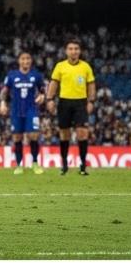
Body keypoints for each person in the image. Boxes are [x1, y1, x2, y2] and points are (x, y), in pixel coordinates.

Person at [45, 39, 96, 176]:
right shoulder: (60, 66)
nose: (73, 51)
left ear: (80, 51)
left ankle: (83, 165)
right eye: (71, 49)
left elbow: (91, 85)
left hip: (81, 103)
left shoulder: (85, 67)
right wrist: (49, 99)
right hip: (64, 102)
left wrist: (91, 101)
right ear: (66, 51)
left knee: (82, 133)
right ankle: (64, 165)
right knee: (64, 134)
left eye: (76, 49)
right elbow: (54, 83)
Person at [0, 51, 45, 174]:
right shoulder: (12, 75)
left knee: (34, 135)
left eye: (28, 58)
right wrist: (2, 103)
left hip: (32, 110)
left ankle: (35, 163)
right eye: (23, 59)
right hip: (16, 110)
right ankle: (19, 165)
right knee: (17, 137)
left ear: (31, 60)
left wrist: (42, 96)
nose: (26, 61)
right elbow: (4, 91)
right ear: (19, 61)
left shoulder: (36, 75)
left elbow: (43, 89)